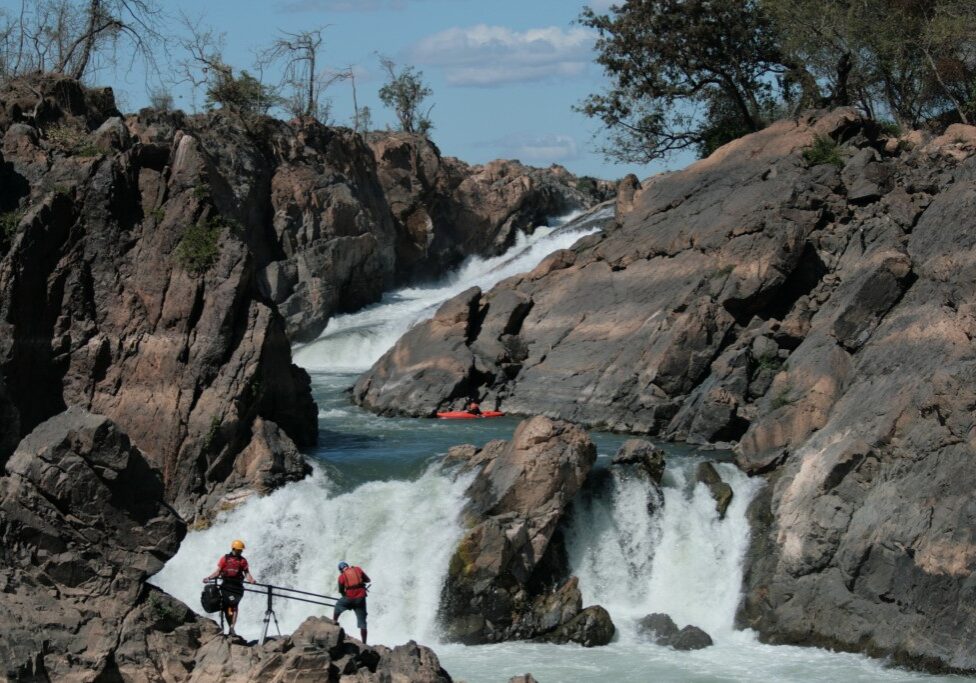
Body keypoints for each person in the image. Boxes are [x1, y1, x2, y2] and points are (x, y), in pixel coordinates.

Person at [203, 539, 256, 637]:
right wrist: (209, 578)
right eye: (239, 550)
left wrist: (251, 580)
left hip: (237, 587)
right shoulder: (225, 559)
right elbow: (218, 572)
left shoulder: (243, 561)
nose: (240, 551)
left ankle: (232, 627)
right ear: (233, 549)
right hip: (226, 586)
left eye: (241, 550)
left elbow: (247, 573)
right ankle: (228, 627)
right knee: (226, 607)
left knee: (234, 605)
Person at [333, 560, 371, 644]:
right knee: (363, 622)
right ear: (348, 566)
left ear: (341, 570)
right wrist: (360, 583)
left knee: (338, 606)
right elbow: (368, 580)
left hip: (349, 598)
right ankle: (364, 643)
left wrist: (345, 597)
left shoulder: (341, 576)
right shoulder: (358, 569)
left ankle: (333, 622)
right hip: (360, 599)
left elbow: (341, 591)